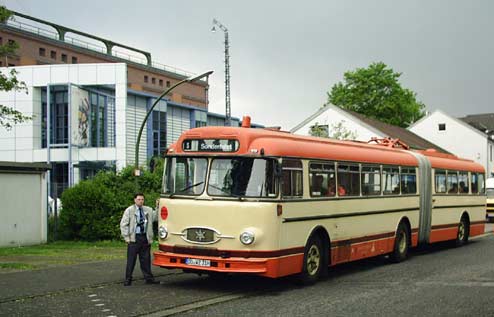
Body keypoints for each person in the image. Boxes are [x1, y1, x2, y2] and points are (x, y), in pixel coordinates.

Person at [120, 193, 159, 286]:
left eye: (142, 199)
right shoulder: (129, 210)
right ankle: (128, 279)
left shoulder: (148, 210)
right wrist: (126, 237)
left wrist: (157, 207)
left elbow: (155, 218)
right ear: (134, 200)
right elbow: (123, 224)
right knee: (131, 260)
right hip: (134, 238)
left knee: (145, 259)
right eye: (138, 199)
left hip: (145, 237)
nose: (140, 201)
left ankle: (148, 278)